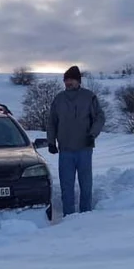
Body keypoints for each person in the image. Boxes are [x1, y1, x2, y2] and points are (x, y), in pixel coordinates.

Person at [47, 65, 105, 216]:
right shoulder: (59, 99)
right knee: (67, 186)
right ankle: (69, 216)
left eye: (71, 80)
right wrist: (51, 141)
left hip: (84, 148)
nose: (68, 82)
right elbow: (52, 122)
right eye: (66, 80)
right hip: (65, 149)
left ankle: (86, 215)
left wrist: (92, 134)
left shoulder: (89, 97)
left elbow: (100, 117)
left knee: (86, 185)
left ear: (78, 81)